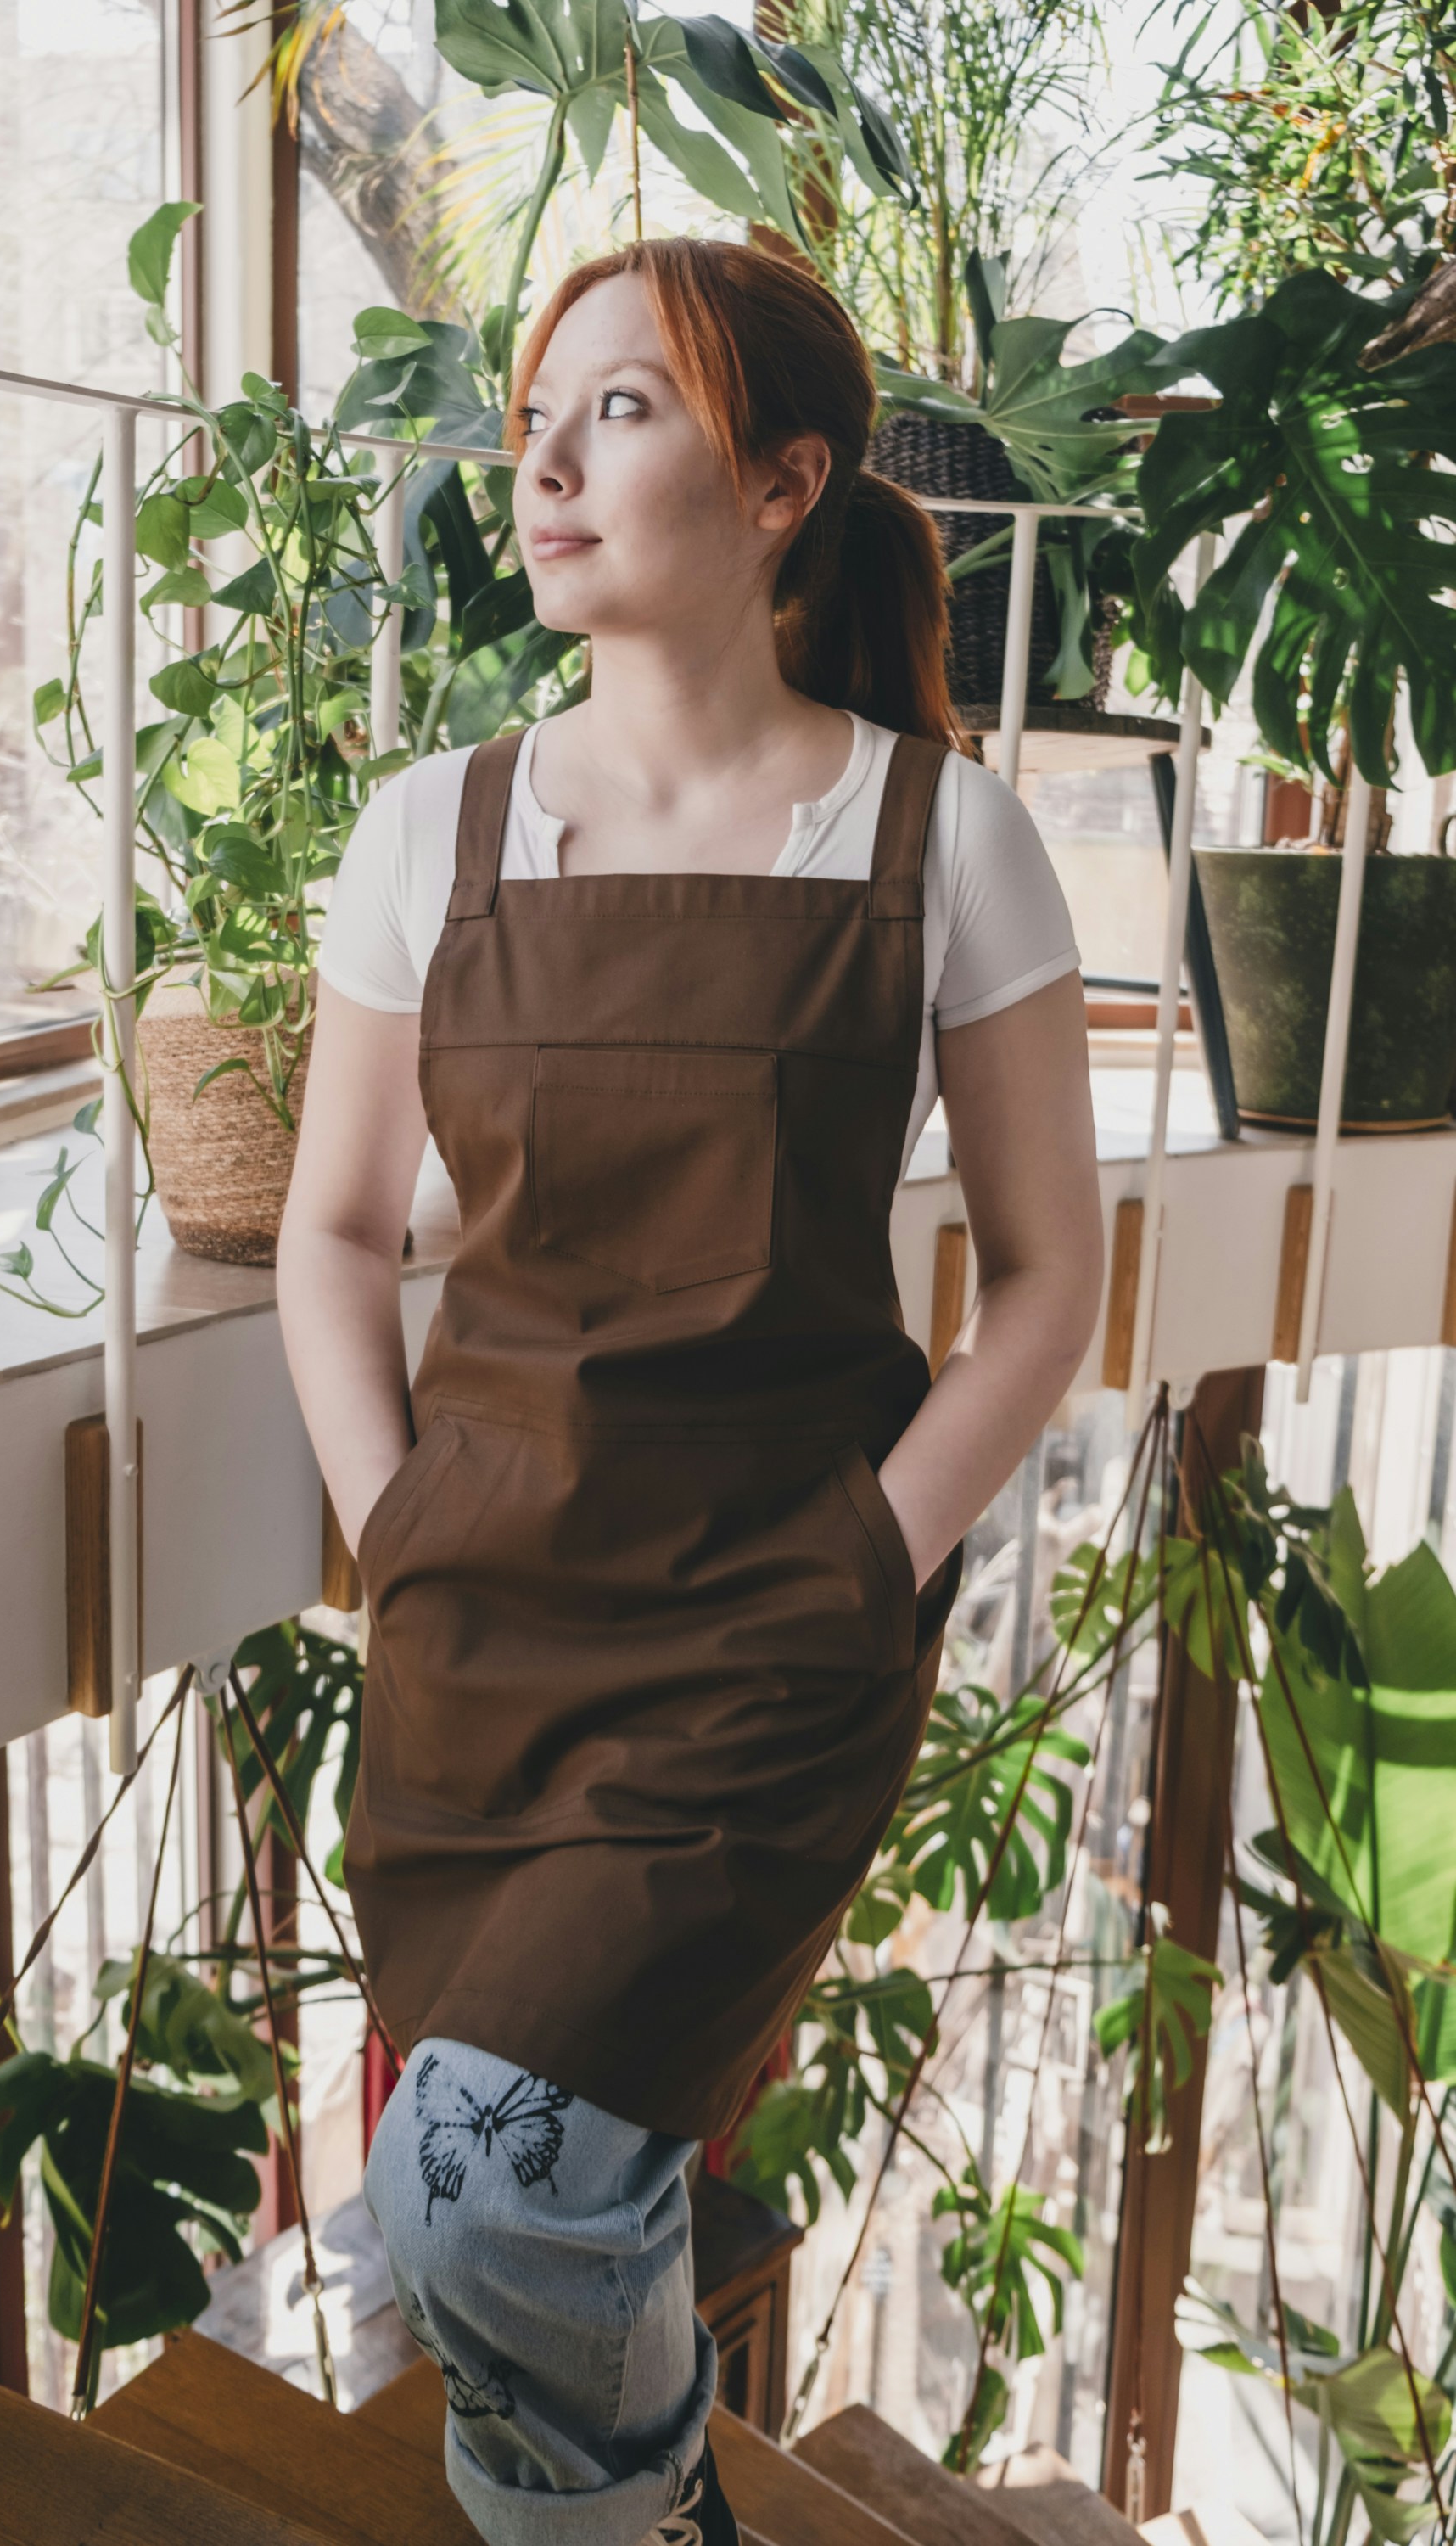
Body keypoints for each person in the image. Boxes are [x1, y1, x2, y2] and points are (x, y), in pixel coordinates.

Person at [277, 238, 1103, 2546]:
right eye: (540, 408)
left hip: (768, 1629)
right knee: (527, 2195)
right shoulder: (426, 832)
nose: (539, 458)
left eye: (621, 409)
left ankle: (631, 2512)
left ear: (782, 485)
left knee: (475, 2202)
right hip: (485, 1615)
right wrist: (398, 1521)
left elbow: (1052, 1280)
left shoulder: (943, 838)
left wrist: (869, 1557)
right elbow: (335, 1231)